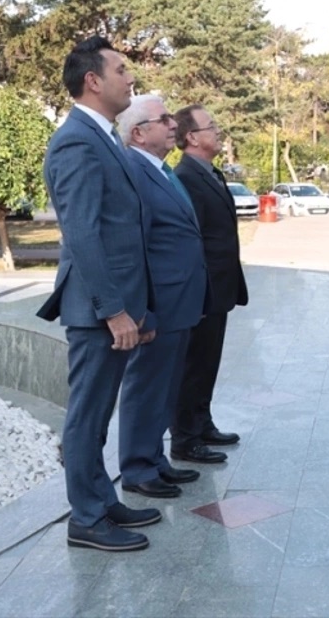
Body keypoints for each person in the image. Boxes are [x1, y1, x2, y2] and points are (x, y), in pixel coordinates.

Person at [37, 36, 159, 552]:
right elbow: (83, 234)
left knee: (99, 411)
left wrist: (137, 307)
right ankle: (85, 517)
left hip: (113, 305)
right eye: (122, 69)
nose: (130, 78)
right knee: (86, 416)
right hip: (95, 310)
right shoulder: (76, 141)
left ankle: (101, 501)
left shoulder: (102, 136)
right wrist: (114, 311)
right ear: (94, 80)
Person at [117, 95, 210, 498]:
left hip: (182, 300)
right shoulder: (134, 170)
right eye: (164, 119)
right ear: (138, 133)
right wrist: (144, 309)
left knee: (166, 386)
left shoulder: (161, 168)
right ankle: (137, 469)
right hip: (160, 301)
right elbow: (136, 245)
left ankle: (155, 459)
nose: (174, 125)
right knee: (146, 386)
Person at [170, 104, 249, 464]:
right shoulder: (186, 176)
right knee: (193, 364)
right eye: (211, 127)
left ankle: (203, 423)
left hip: (218, 287)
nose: (218, 132)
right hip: (201, 290)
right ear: (192, 137)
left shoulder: (209, 172)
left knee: (208, 361)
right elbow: (191, 238)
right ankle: (185, 438)